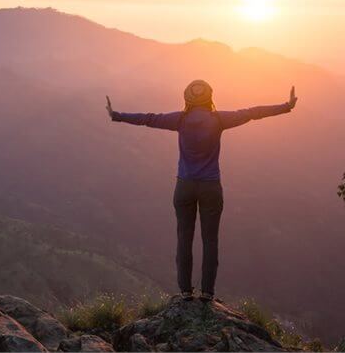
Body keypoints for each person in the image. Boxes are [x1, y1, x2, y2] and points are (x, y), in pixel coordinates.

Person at [106, 80, 297, 302]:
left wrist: (116, 115)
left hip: (184, 186)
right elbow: (253, 113)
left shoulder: (179, 119)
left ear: (186, 98)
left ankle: (185, 291)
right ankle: (207, 292)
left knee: (184, 238)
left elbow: (147, 119)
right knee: (210, 240)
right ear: (209, 97)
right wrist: (286, 106)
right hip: (211, 187)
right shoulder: (218, 119)